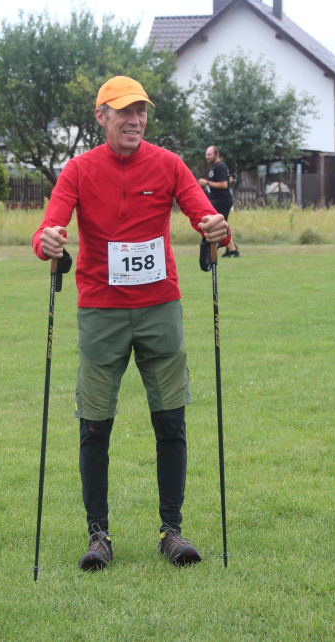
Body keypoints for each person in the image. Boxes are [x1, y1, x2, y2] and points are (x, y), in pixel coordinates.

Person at [32, 75, 231, 570]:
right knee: (95, 425)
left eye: (140, 110)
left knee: (171, 421)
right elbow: (48, 229)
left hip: (160, 309)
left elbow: (207, 217)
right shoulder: (79, 170)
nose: (135, 119)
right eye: (123, 111)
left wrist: (216, 228)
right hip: (101, 312)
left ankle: (171, 531)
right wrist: (47, 243)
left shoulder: (168, 164)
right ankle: (99, 535)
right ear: (101, 116)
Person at [198, 146, 241, 257]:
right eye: (206, 154)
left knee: (219, 226)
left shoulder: (220, 166)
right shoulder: (216, 167)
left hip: (222, 200)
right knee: (221, 225)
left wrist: (206, 183)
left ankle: (233, 250)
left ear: (217, 155)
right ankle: (230, 249)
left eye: (209, 154)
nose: (207, 156)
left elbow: (224, 184)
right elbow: (229, 180)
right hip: (218, 200)